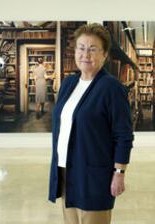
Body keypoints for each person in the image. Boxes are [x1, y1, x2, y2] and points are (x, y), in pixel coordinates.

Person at [48, 23, 134, 224]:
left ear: (104, 54)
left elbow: (124, 135)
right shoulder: (69, 83)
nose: (85, 54)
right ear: (75, 51)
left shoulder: (111, 88)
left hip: (94, 174)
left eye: (93, 49)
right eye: (81, 48)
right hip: (66, 171)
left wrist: (119, 173)